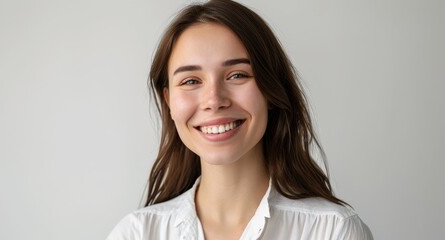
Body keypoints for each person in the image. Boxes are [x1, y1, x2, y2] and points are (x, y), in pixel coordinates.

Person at [108, 0, 373, 239]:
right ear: (168, 101)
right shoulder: (136, 233)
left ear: (271, 90)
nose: (214, 99)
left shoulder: (333, 231)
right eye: (190, 81)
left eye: (237, 75)